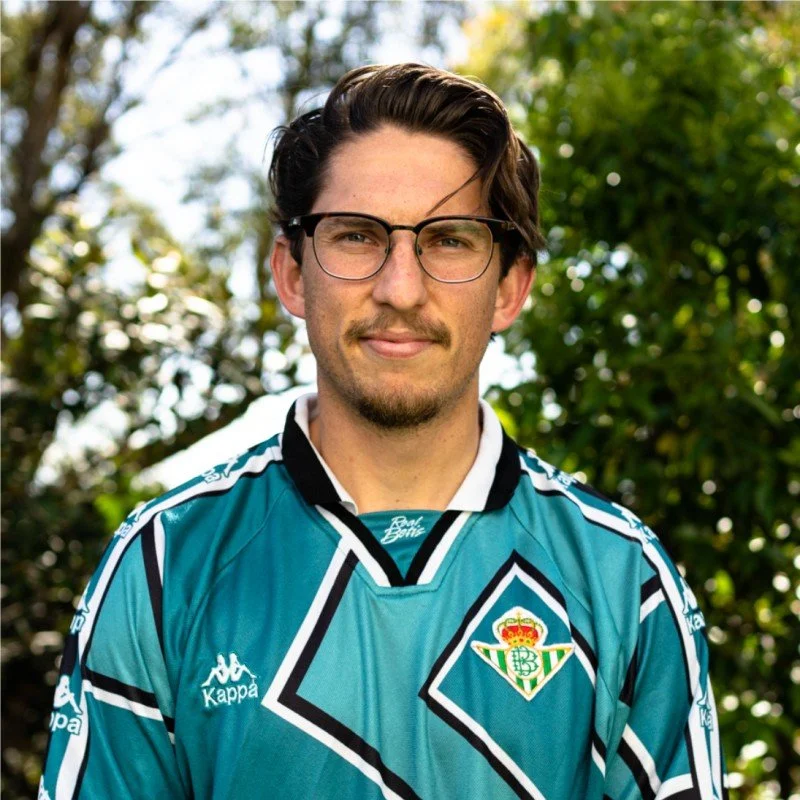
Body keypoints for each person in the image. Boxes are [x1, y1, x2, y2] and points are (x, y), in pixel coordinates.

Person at [40, 63, 726, 799]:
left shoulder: (622, 578)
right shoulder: (164, 565)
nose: (400, 289)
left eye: (449, 241)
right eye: (359, 236)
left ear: (510, 286)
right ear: (294, 273)